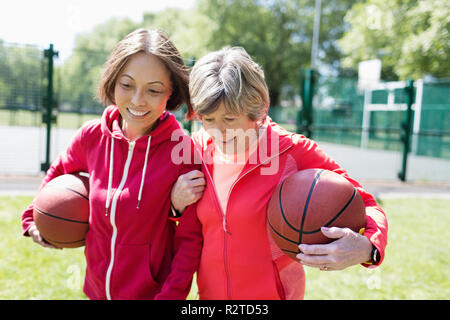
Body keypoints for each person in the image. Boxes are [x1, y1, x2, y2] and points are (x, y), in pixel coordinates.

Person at [169, 47, 388, 299]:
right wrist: (174, 205)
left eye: (229, 119)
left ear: (259, 108)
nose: (217, 132)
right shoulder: (195, 150)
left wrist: (368, 247)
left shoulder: (293, 151)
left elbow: (368, 205)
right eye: (208, 119)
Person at [21, 28, 203, 300]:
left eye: (153, 90)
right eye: (127, 85)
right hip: (96, 291)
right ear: (113, 81)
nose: (137, 100)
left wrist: (170, 296)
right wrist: (33, 218)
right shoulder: (91, 136)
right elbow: (57, 172)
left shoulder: (183, 152)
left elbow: (190, 241)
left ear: (171, 92)